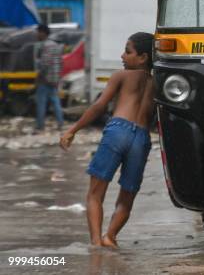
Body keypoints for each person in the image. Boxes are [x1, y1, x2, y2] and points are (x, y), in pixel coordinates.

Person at [59, 32, 155, 248]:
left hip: (117, 130)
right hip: (141, 138)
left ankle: (95, 243)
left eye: (128, 51)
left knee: (95, 194)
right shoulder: (157, 83)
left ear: (143, 57)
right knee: (127, 196)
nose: (122, 56)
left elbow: (99, 106)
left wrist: (72, 130)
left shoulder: (121, 76)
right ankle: (110, 237)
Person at [35, 24, 64, 131]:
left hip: (45, 79)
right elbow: (61, 62)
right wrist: (57, 76)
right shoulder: (56, 45)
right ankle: (60, 123)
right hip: (54, 79)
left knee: (41, 102)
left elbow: (45, 63)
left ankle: (40, 125)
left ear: (43, 33)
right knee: (55, 101)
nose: (36, 34)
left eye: (38, 32)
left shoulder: (46, 46)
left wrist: (39, 75)